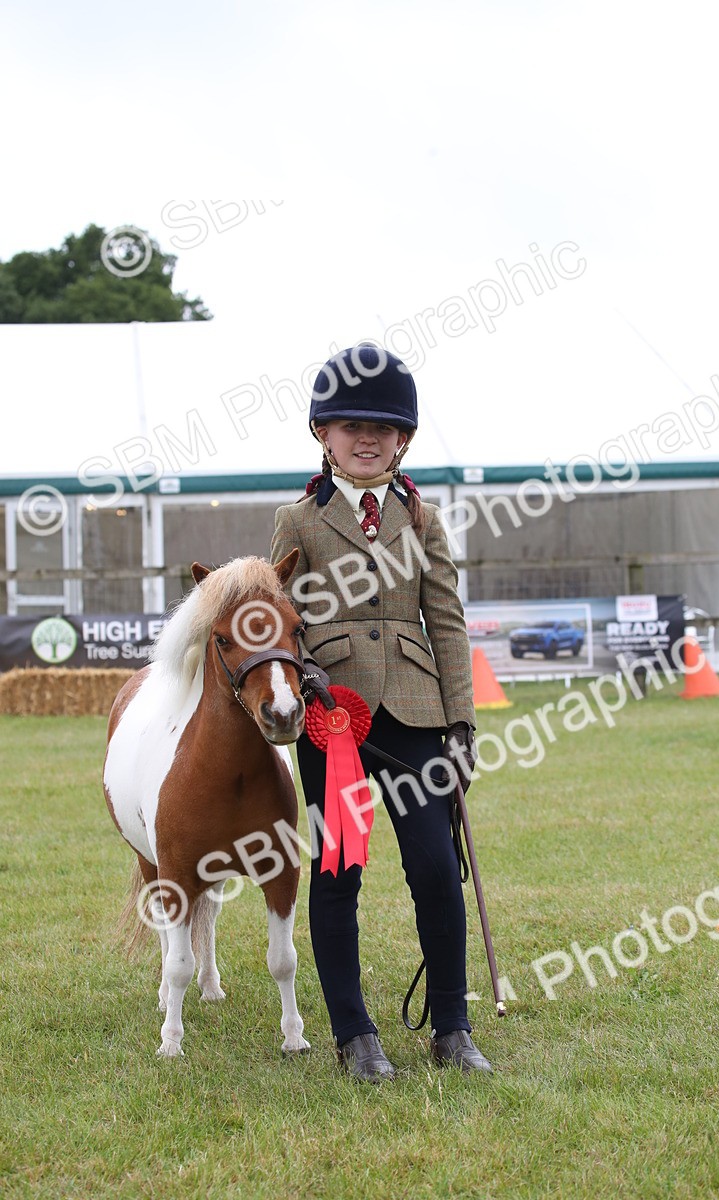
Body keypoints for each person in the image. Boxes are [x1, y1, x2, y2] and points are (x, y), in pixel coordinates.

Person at [270, 344, 492, 1082]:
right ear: (322, 435)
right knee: (338, 874)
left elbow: (448, 621)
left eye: (382, 428)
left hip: (416, 714)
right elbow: (279, 617)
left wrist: (460, 722)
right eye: (349, 426)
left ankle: (452, 1028)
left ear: (404, 439)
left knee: (435, 865)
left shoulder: (422, 520)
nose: (366, 439)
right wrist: (305, 682)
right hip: (332, 716)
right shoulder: (297, 520)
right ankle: (353, 1033)